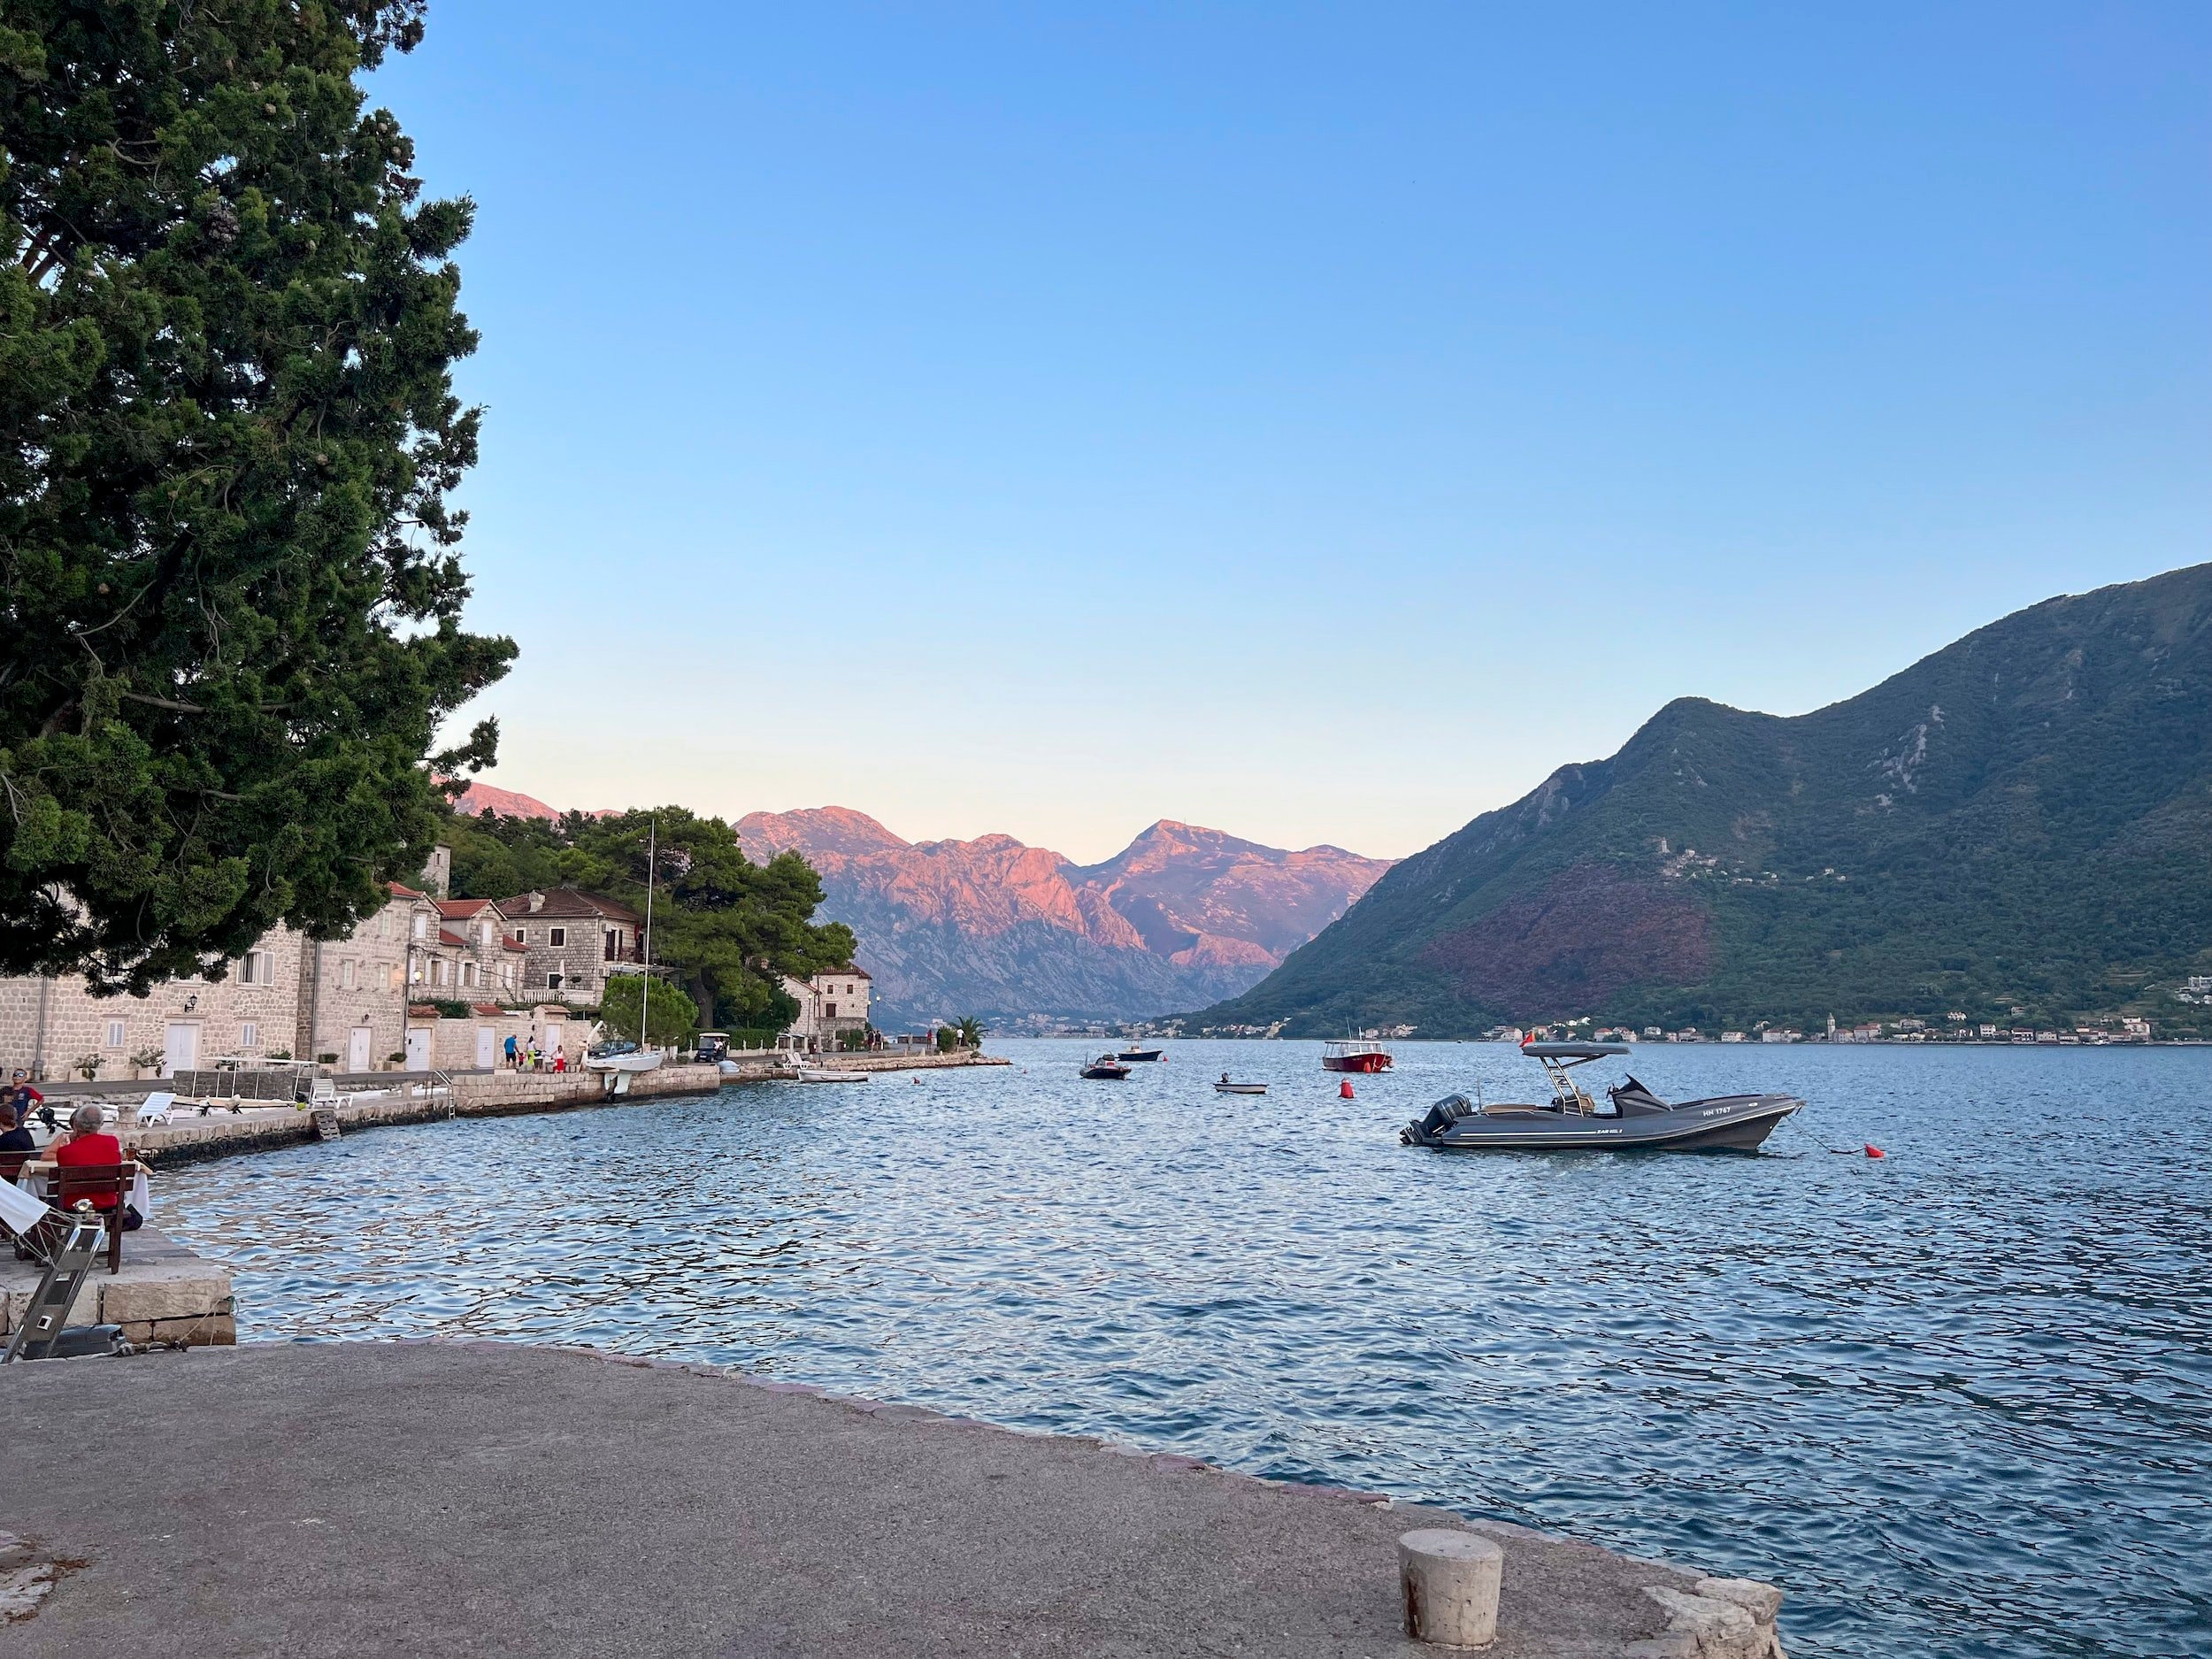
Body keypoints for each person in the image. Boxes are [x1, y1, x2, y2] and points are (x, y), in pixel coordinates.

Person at [50, 1102, 142, 1229]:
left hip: (73, 1205)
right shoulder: (112, 1143)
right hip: (107, 1203)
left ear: (76, 1124)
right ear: (100, 1124)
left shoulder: (65, 1151)